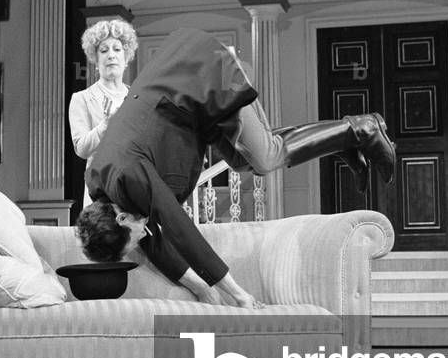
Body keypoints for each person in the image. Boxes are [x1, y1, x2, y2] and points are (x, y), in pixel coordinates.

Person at [75, 28, 396, 309]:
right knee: (246, 160)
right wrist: (202, 289)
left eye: (132, 239)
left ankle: (360, 129)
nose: (141, 238)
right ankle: (342, 140)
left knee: (266, 156)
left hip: (202, 74)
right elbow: (153, 243)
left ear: (120, 218)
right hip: (189, 107)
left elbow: (179, 229)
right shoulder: (102, 186)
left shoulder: (128, 176)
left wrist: (237, 293)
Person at [68, 19, 139, 207]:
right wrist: (107, 124)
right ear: (96, 60)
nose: (111, 55)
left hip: (135, 187)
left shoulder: (137, 98)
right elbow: (82, 148)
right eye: (104, 50)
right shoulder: (82, 98)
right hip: (100, 189)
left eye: (117, 49)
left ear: (126, 58)